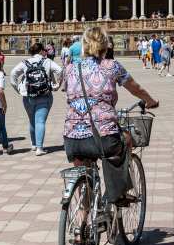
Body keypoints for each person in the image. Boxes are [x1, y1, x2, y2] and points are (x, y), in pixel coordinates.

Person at [63, 27, 159, 213]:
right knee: (127, 139)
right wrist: (150, 101)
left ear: (83, 46)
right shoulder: (111, 66)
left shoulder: (70, 68)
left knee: (85, 180)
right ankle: (119, 192)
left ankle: (81, 226)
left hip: (72, 137)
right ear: (106, 46)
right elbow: (135, 88)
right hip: (103, 136)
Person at [10, 42, 63, 155]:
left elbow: (13, 73)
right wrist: (57, 85)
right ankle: (39, 148)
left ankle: (34, 144)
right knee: (40, 121)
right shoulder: (47, 61)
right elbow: (60, 70)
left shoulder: (25, 62)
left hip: (28, 95)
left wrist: (18, 89)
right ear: (41, 51)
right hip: (44, 94)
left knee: (32, 120)